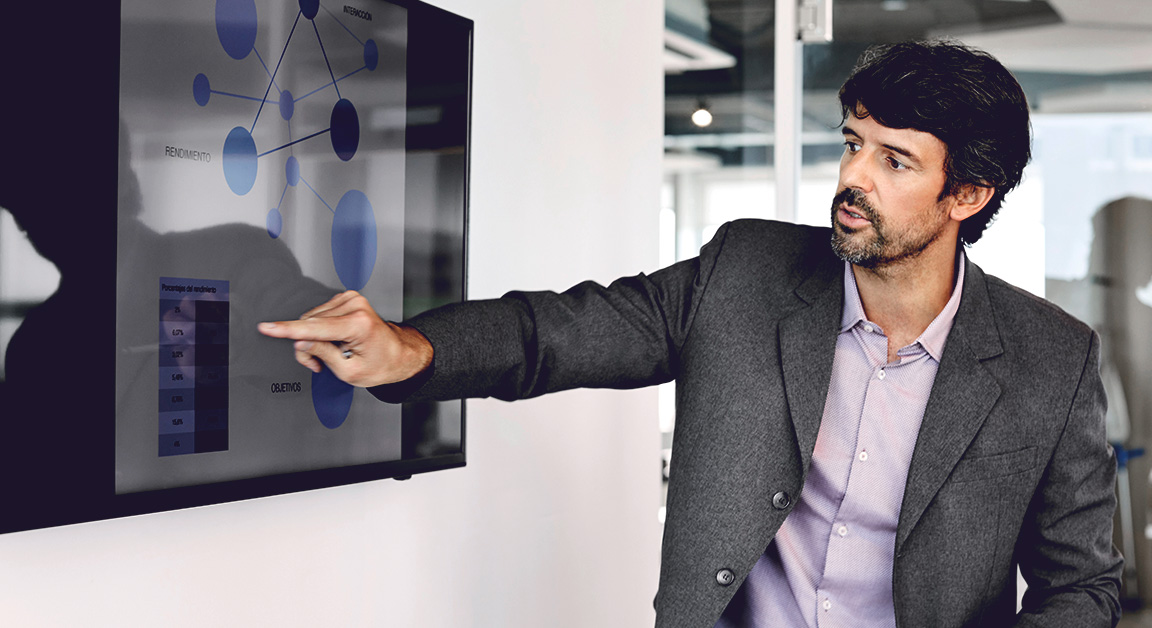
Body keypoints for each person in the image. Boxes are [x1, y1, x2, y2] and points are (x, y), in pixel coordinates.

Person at [258, 41, 1122, 626]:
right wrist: (411, 350)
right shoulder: (745, 272)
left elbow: (1080, 583)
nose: (852, 176)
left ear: (967, 195)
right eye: (854, 142)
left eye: (894, 161)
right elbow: (560, 330)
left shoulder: (1052, 357)